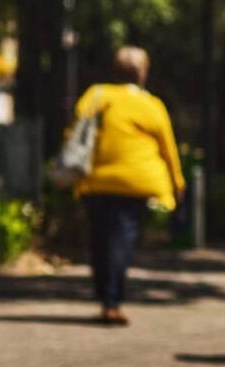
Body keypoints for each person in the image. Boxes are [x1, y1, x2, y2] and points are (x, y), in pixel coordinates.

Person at [71, 46, 185, 326]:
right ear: (142, 73)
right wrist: (177, 181)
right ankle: (112, 301)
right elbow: (167, 148)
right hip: (135, 181)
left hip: (95, 179)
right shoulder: (151, 105)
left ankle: (104, 295)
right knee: (121, 240)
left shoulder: (96, 95)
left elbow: (75, 130)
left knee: (99, 240)